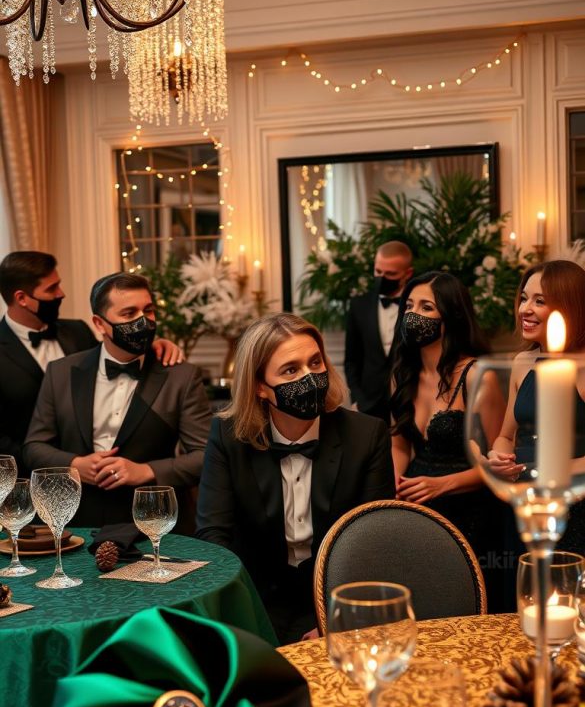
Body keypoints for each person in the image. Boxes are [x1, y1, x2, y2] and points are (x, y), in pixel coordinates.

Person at [196, 312, 395, 644]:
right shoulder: (229, 436)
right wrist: (244, 617)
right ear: (260, 387)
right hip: (255, 596)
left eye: (315, 363)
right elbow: (213, 534)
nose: (310, 377)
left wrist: (337, 620)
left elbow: (373, 539)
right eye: (291, 369)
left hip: (335, 596)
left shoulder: (366, 435)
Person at [24, 271, 212, 530]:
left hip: (154, 523)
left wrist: (146, 471)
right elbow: (34, 447)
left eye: (148, 311)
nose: (143, 322)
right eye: (128, 314)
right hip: (75, 523)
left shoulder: (181, 376)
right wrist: (76, 465)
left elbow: (206, 455)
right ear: (100, 324)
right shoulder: (61, 372)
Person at [0, 251, 184, 472]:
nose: (61, 294)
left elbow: (115, 351)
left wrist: (153, 344)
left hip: (98, 474)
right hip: (25, 475)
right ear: (21, 298)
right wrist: (56, 464)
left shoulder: (77, 331)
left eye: (58, 285)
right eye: (51, 289)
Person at [389, 270, 506, 608]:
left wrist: (442, 485)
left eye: (427, 307)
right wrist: (394, 481)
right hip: (418, 506)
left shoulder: (477, 376)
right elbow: (400, 444)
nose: (414, 315)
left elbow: (502, 467)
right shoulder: (402, 375)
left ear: (451, 316)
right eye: (409, 306)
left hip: (471, 509)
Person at [488, 260, 585, 567]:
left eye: (539, 301)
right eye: (524, 298)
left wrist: (555, 473)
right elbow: (506, 435)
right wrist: (499, 457)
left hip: (574, 507)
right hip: (525, 503)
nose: (524, 309)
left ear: (570, 306)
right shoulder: (523, 361)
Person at [344, 240, 413, 423]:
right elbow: (351, 360)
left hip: (408, 403)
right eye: (378, 271)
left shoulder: (417, 307)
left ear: (408, 274)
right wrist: (357, 399)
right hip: (367, 405)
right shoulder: (358, 305)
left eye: (390, 274)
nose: (382, 278)